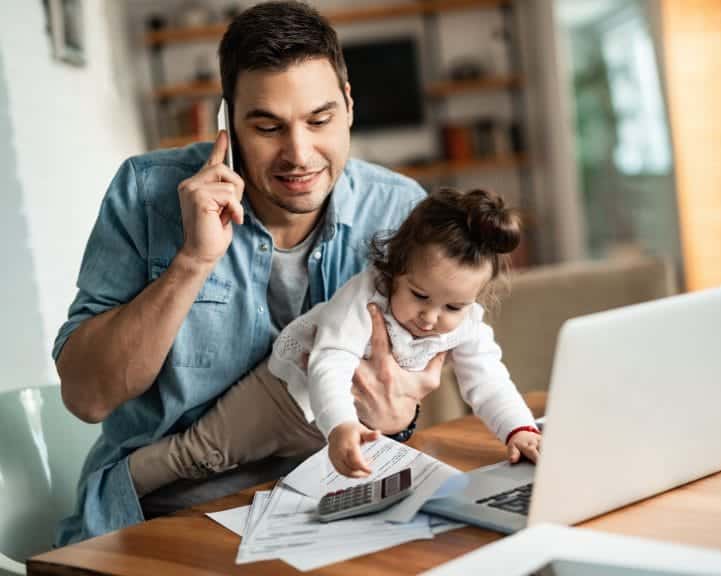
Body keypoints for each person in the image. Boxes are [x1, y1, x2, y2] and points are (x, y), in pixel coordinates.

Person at [52, 1, 442, 546]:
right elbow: (87, 397)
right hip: (168, 512)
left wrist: (400, 414)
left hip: (334, 500)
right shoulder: (146, 195)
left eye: (320, 120)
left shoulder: (400, 210)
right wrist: (193, 261)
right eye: (267, 126)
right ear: (227, 123)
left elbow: (410, 389)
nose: (299, 154)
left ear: (349, 105)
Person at [129, 188, 542, 494]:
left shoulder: (466, 322)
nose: (431, 319)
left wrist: (518, 430)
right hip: (283, 397)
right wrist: (342, 425)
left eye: (453, 306)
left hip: (338, 427)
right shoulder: (365, 296)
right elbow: (330, 362)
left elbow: (488, 378)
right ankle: (123, 483)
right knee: (200, 455)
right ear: (395, 268)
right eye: (419, 296)